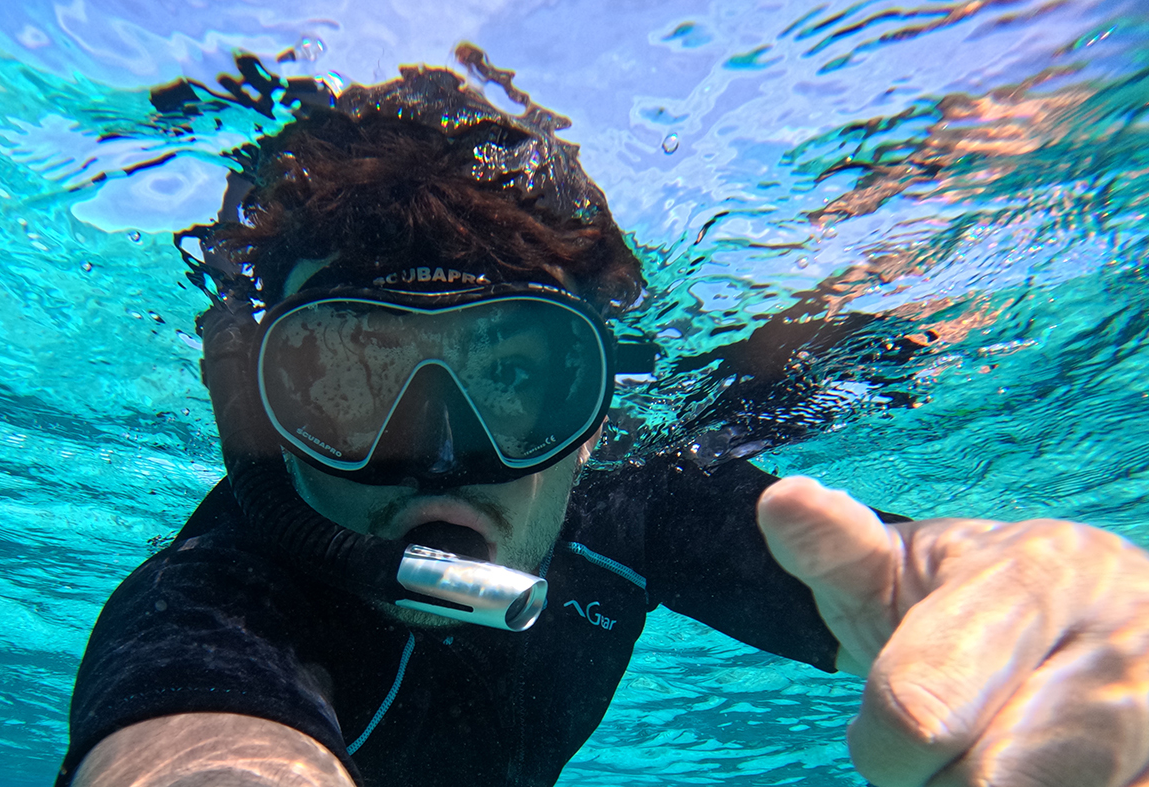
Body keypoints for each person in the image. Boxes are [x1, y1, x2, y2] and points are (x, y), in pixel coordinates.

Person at [57, 50, 1149, 787]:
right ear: (257, 404)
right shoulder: (219, 599)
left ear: (591, 417)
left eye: (516, 375)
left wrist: (1067, 641)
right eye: (348, 377)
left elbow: (902, 588)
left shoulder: (634, 505)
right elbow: (188, 737)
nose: (439, 454)